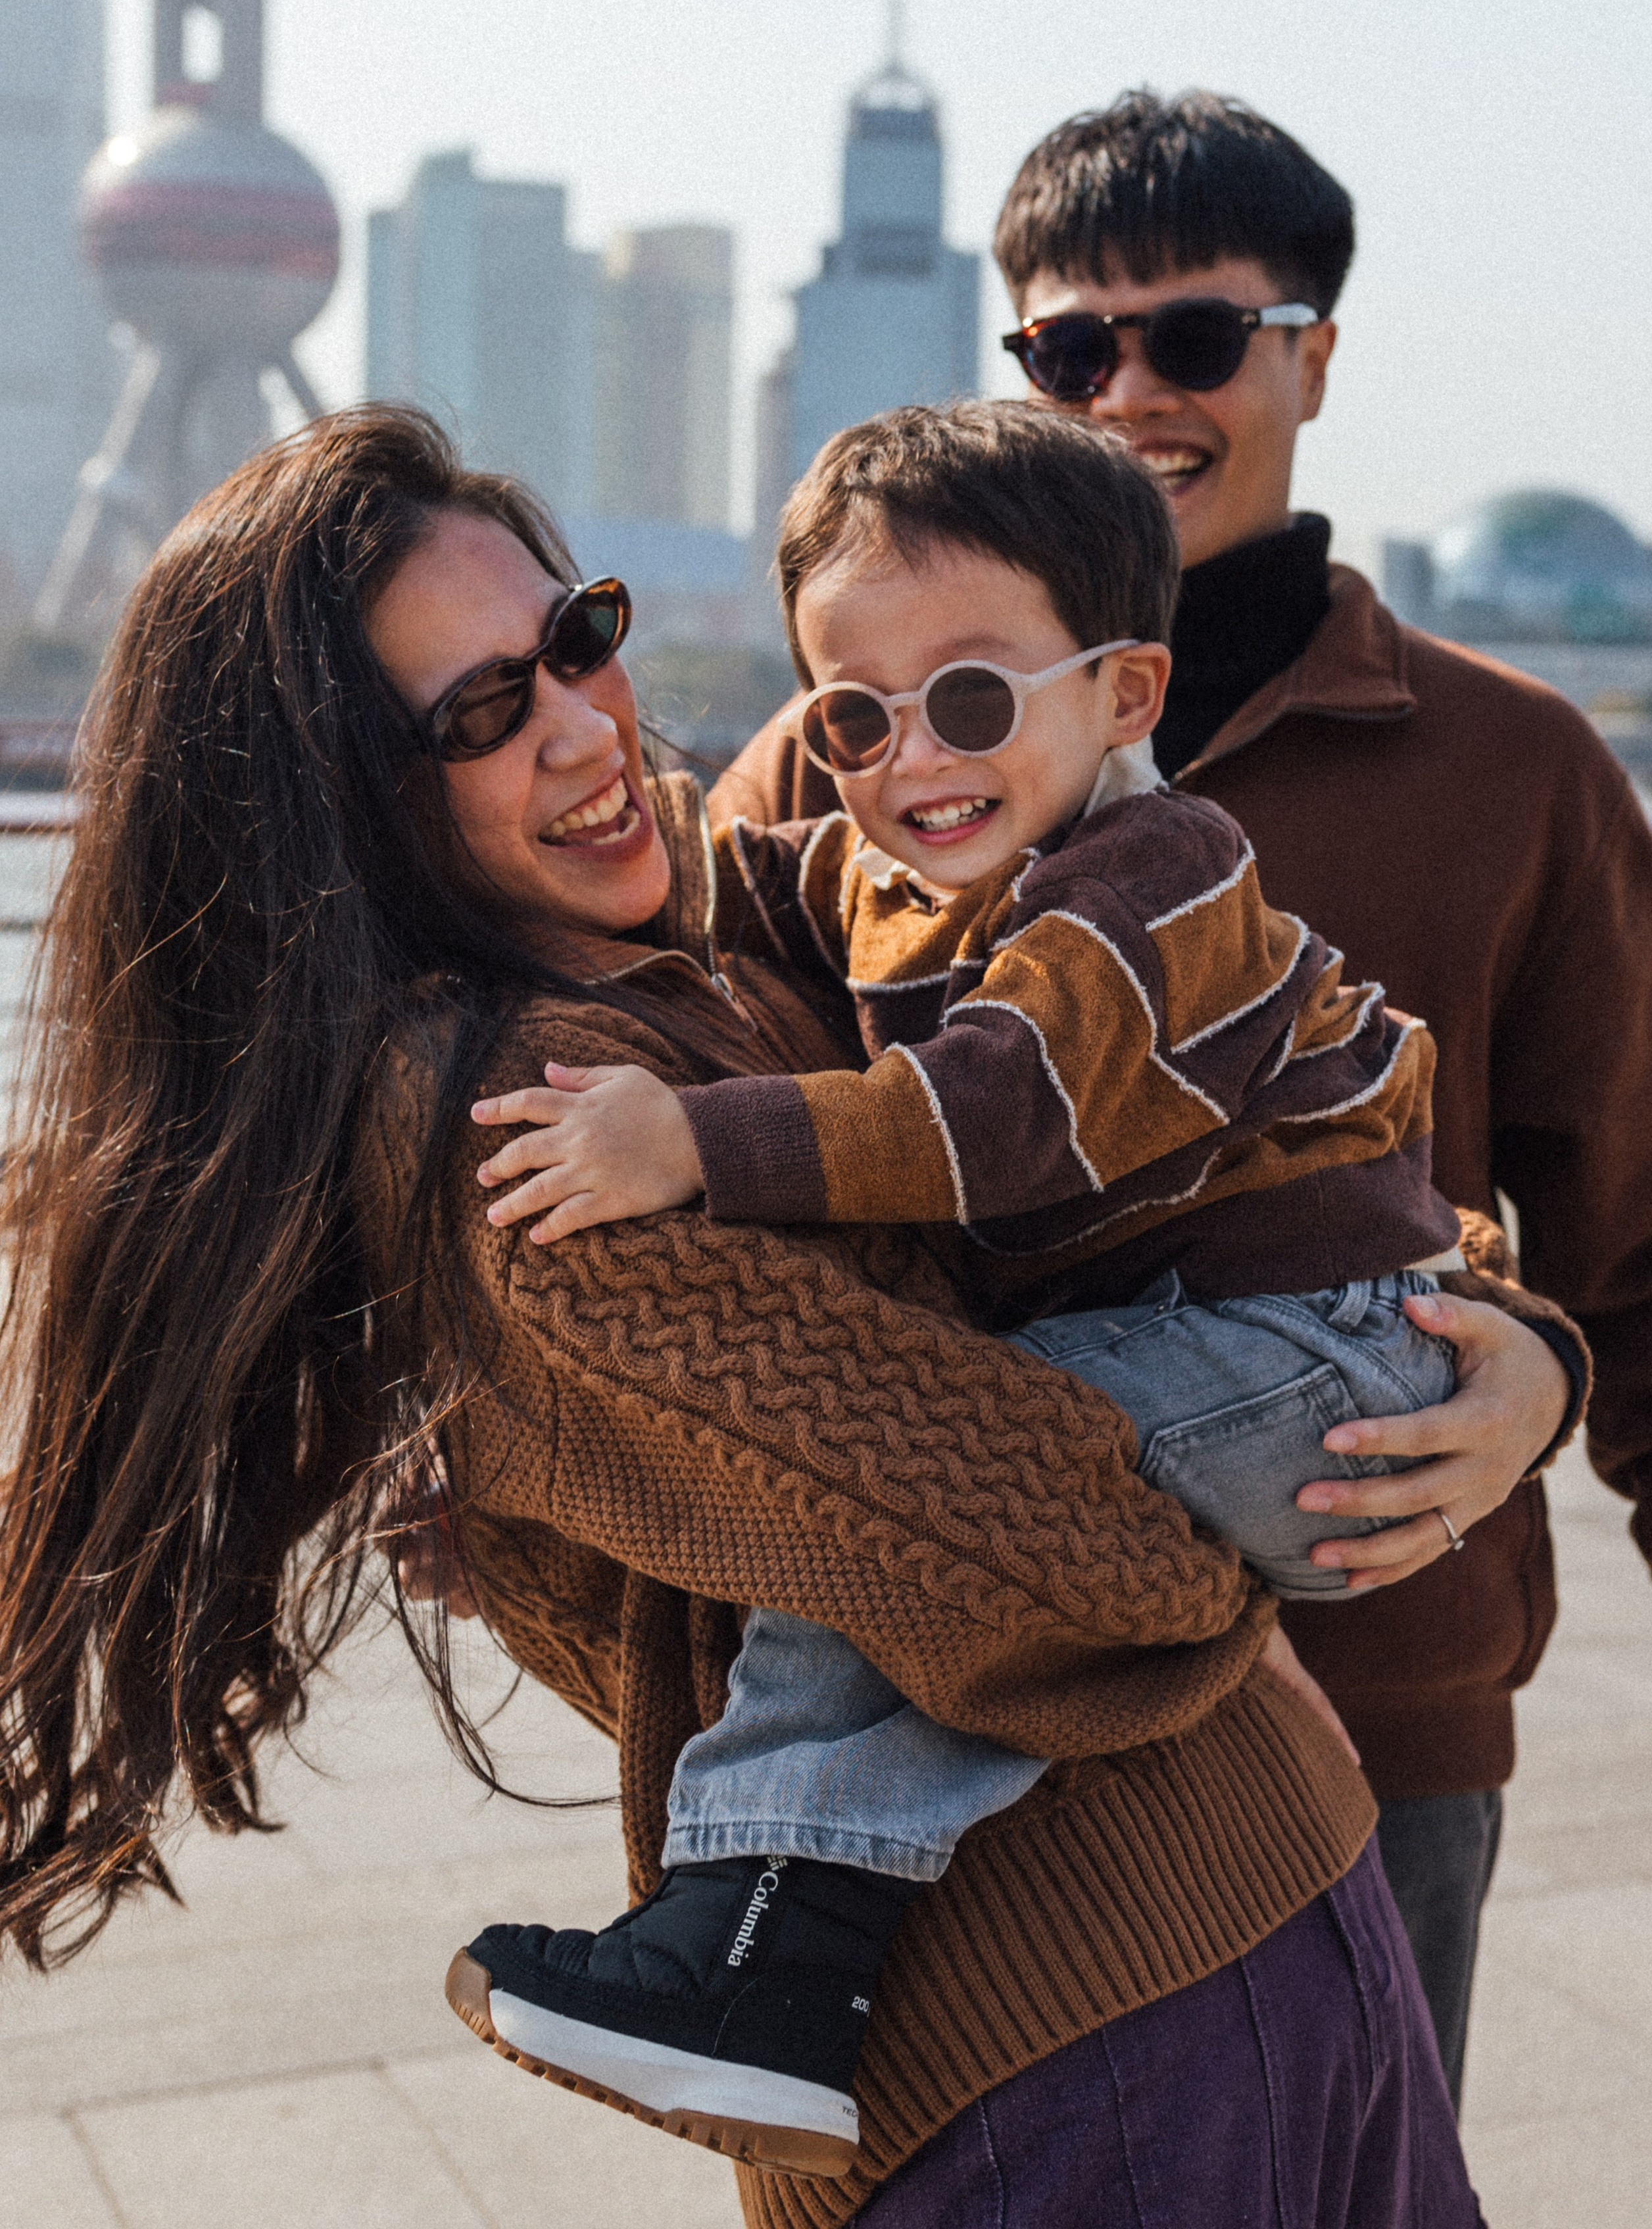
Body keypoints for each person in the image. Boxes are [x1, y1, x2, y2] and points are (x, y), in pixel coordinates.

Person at [0, 406, 1551, 2226]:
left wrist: (1505, 1356)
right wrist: (1340, 1455)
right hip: (1074, 2045)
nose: (585, 724)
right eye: (480, 714)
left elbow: (1241, 1148)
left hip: (1213, 1958)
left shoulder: (721, 957)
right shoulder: (530, 1121)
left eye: (574, 640)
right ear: (331, 801)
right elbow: (1081, 1552)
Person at [451, 399, 1586, 2164]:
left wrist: (692, 1143)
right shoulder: (882, 865)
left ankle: (772, 1951)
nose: (914, 759)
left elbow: (1000, 1116)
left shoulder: (1159, 875)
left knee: (886, 1499)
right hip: (1238, 1360)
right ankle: (782, 1957)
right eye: (850, 715)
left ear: (1125, 698)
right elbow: (722, 879)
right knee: (903, 1508)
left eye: (972, 699)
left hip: (1325, 1359)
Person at [715, 88, 1652, 2111]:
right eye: (1072, 349)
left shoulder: (1519, 773)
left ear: (1315, 353)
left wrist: (1538, 1374)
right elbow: (673, 1091)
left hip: (1377, 1696)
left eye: (1198, 339)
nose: (1131, 394)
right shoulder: (839, 768)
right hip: (943, 1670)